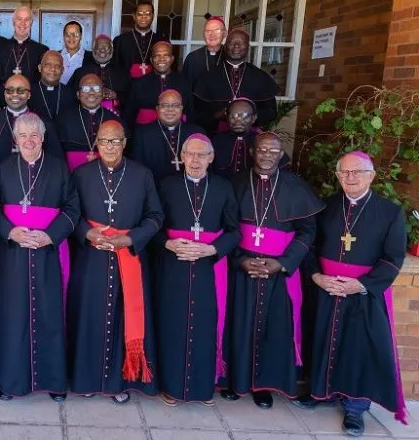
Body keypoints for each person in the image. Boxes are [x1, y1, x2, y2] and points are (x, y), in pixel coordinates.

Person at [292, 151, 408, 436]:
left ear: (372, 175)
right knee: (324, 341)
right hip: (327, 287)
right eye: (344, 172)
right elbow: (310, 247)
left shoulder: (389, 212)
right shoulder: (326, 207)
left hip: (362, 292)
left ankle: (355, 409)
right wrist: (317, 276)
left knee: (358, 349)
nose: (350, 177)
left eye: (357, 172)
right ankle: (324, 392)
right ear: (337, 176)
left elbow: (393, 257)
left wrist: (362, 284)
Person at [223, 132, 324, 408]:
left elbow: (307, 232)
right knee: (237, 323)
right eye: (262, 150)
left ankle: (263, 386)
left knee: (273, 328)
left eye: (273, 151)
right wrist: (240, 259)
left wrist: (283, 263)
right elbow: (225, 227)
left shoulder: (295, 187)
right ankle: (235, 380)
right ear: (253, 152)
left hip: (279, 272)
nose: (267, 155)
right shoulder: (235, 183)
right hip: (242, 268)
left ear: (281, 155)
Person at [68, 120, 164, 403]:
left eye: (115, 141)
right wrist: (88, 233)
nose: (109, 146)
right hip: (91, 259)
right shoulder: (81, 174)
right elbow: (71, 214)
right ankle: (86, 379)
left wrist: (131, 238)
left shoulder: (142, 175)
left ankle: (118, 383)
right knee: (89, 318)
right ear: (96, 143)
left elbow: (155, 216)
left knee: (123, 318)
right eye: (104, 140)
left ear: (124, 143)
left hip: (129, 257)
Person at [0, 112, 79, 402]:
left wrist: (50, 235)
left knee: (50, 313)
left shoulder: (59, 168)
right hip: (13, 254)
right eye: (23, 135)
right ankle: (11, 381)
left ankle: (53, 381)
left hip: (48, 253)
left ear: (42, 138)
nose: (29, 140)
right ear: (15, 140)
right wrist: (10, 232)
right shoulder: (3, 169)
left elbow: (72, 210)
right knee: (13, 316)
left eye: (34, 135)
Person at [153, 134, 240, 405]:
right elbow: (152, 224)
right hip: (173, 266)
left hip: (209, 268)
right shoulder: (166, 185)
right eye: (189, 154)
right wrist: (168, 244)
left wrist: (212, 249)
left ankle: (203, 387)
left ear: (211, 158)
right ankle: (172, 386)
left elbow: (234, 231)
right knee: (173, 324)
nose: (194, 160)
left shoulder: (224, 188)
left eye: (201, 155)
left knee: (205, 324)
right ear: (181, 156)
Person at [193, 28, 278, 134]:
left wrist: (248, 116)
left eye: (241, 43)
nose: (236, 46)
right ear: (225, 47)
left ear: (248, 47)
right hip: (217, 136)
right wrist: (220, 114)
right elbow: (198, 114)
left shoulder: (260, 77)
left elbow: (271, 112)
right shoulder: (208, 77)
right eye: (232, 42)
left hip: (251, 135)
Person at [0, 74, 62, 168]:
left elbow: (55, 162)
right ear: (4, 93)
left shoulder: (44, 123)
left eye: (21, 90)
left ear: (29, 95)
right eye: (10, 90)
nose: (15, 94)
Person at [130, 89, 205, 183]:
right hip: (155, 190)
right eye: (165, 105)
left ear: (181, 108)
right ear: (157, 108)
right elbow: (137, 171)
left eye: (175, 105)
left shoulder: (196, 133)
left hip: (189, 191)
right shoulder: (142, 134)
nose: (170, 109)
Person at [56, 73, 122, 172]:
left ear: (103, 93)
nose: (91, 93)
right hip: (71, 172)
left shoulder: (114, 120)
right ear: (78, 95)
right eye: (86, 89)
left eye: (96, 89)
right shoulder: (63, 119)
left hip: (104, 172)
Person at [0, 6, 49, 105]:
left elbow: (43, 82)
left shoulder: (41, 50)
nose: (23, 23)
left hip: (32, 105)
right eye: (19, 19)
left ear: (31, 23)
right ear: (13, 21)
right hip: (2, 104)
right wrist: (6, 98)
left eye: (27, 19)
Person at [211, 98, 289, 179]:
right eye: (233, 116)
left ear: (254, 118)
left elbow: (281, 171)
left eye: (244, 116)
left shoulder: (262, 141)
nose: (238, 121)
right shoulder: (216, 140)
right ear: (227, 117)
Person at [124, 40, 191, 130]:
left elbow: (191, 114)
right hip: (145, 135)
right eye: (157, 55)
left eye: (166, 55)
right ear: (151, 60)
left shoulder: (184, 82)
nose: (161, 59)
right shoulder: (139, 84)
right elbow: (129, 116)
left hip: (178, 132)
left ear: (172, 59)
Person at [69, 35, 130, 116]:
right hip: (87, 115)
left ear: (112, 50)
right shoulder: (81, 72)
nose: (102, 50)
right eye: (98, 47)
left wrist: (117, 95)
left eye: (106, 47)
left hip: (115, 117)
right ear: (93, 50)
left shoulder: (122, 72)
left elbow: (132, 97)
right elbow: (71, 96)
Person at [113, 1, 163, 79]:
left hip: (153, 86)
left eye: (147, 14)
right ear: (134, 16)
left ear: (153, 16)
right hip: (127, 88)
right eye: (140, 14)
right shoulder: (120, 41)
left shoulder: (161, 40)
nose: (144, 17)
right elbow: (115, 69)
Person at [28, 51, 78, 122]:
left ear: (62, 70)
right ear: (40, 68)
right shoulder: (30, 93)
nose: (52, 69)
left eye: (57, 66)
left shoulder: (70, 94)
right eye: (48, 65)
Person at [182, 16, 227, 89]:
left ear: (225, 33)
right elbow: (185, 86)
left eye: (217, 30)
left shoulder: (231, 57)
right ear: (203, 35)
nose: (212, 34)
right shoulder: (192, 58)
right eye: (208, 31)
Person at [60, 21, 91, 85]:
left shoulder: (91, 58)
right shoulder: (55, 56)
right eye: (67, 34)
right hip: (57, 94)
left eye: (76, 34)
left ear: (81, 36)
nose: (71, 37)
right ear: (63, 36)